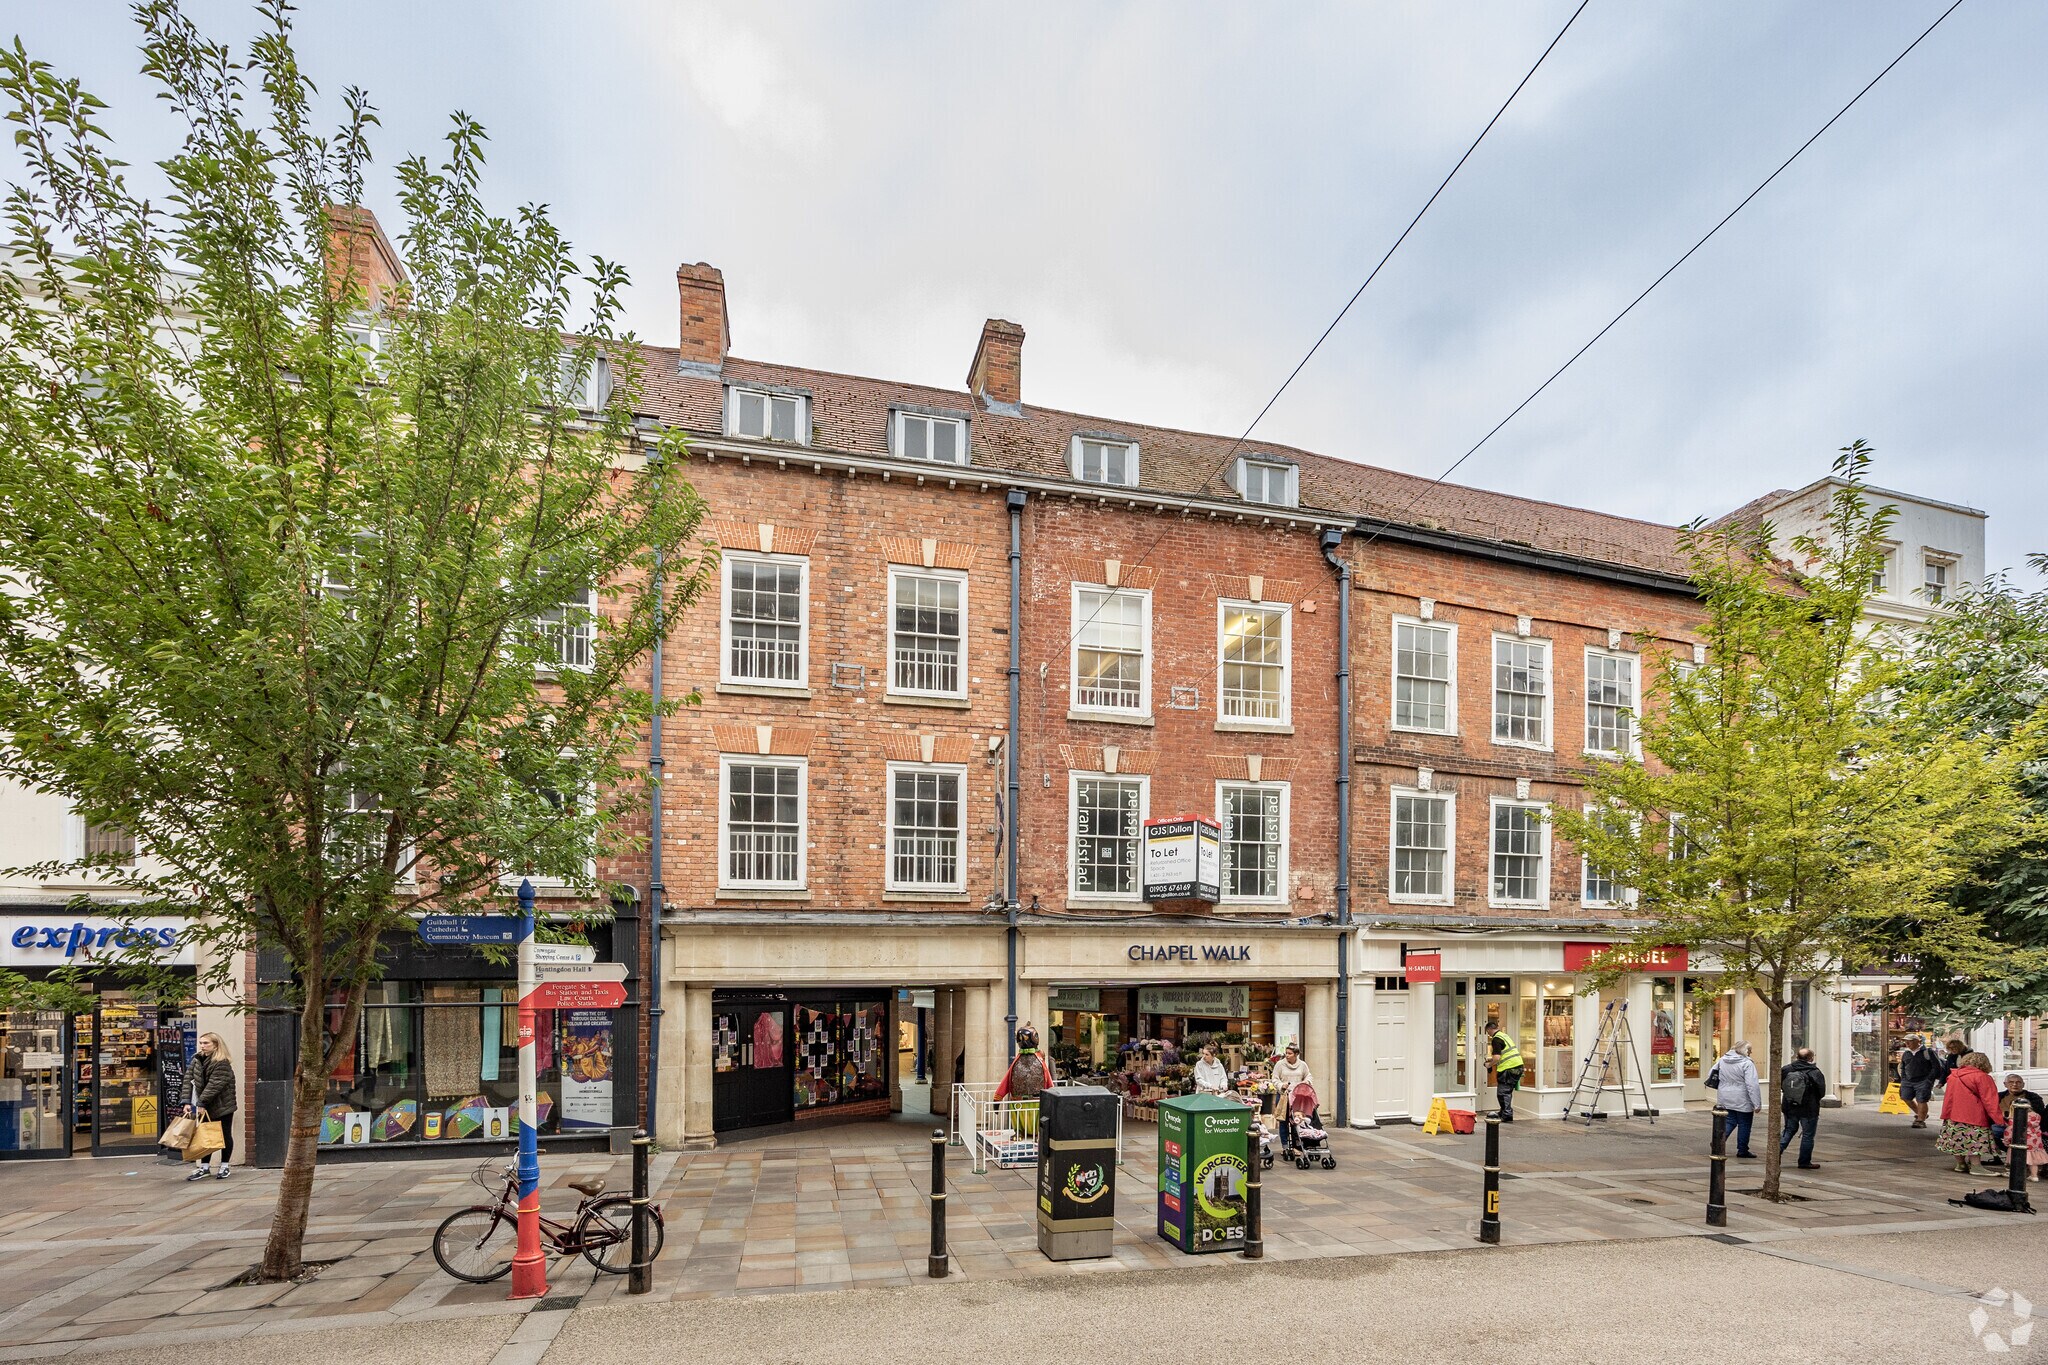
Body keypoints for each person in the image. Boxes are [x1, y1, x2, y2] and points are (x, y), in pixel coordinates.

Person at [1936, 1050, 2002, 1175]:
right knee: (1974, 1141)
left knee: (1957, 1139)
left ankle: (1960, 1164)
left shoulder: (1953, 1076)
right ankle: (1976, 1166)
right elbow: (1990, 1100)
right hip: (1974, 1115)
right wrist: (1999, 1119)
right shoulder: (1982, 1077)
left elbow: (1949, 1097)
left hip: (1953, 1114)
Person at [186, 1031, 237, 1181]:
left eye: (206, 1043)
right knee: (206, 1135)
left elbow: (215, 1085)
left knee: (224, 1135)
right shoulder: (197, 1060)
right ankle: (204, 1167)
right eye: (201, 1043)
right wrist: (186, 1102)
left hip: (223, 1105)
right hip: (205, 1104)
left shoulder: (222, 1062)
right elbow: (188, 1080)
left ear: (216, 1045)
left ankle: (224, 1166)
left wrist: (201, 1102)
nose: (202, 1046)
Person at [1778, 1046, 1826, 1169]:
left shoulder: (1786, 1069)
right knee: (1808, 1135)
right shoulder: (1815, 1072)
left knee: (1788, 1130)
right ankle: (1804, 1161)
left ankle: (1777, 1151)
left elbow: (1780, 1085)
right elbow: (1821, 1092)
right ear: (1810, 1058)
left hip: (1790, 1105)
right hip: (1809, 1108)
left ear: (1797, 1057)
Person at [1712, 1040, 1761, 1158]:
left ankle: (1717, 1143)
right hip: (1742, 1097)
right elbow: (1752, 1084)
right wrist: (1757, 1103)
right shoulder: (1747, 1063)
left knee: (1729, 1121)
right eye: (1750, 1050)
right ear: (1745, 1051)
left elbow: (1711, 1073)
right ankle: (1742, 1150)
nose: (1751, 1052)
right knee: (1744, 1124)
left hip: (1725, 1095)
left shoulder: (1722, 1060)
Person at [1996, 1073, 2047, 1179]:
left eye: (2018, 1082)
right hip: (2003, 1126)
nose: (2015, 1084)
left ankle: (2020, 1167)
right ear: (2005, 1084)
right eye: (2011, 1082)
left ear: (2023, 1084)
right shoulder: (1998, 1096)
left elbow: (2039, 1114)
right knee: (1992, 1131)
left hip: (2026, 1130)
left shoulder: (2033, 1097)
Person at [1269, 1043, 1314, 1151]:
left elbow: (1308, 1075)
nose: (1287, 1055)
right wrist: (1281, 1085)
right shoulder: (1280, 1064)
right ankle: (1285, 1146)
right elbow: (1274, 1079)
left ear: (1296, 1054)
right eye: (1286, 1053)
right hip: (1284, 1096)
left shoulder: (1302, 1065)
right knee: (1283, 1121)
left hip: (1298, 1097)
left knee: (1297, 1120)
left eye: (1290, 1053)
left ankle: (1296, 1146)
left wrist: (1306, 1081)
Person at [1895, 1036, 1942, 1129]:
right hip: (1908, 1080)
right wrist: (1904, 1078)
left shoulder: (1928, 1052)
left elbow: (1937, 1066)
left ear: (1917, 1041)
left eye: (1910, 1041)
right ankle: (1921, 1114)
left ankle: (1920, 1120)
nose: (1907, 1044)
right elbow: (1903, 1067)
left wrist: (1930, 1078)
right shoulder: (1906, 1053)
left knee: (1921, 1099)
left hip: (1923, 1080)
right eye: (1906, 1042)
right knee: (1905, 1097)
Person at [1487, 1023, 1524, 1123]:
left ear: (1490, 1030)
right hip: (1517, 1066)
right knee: (1507, 1091)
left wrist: (1489, 1065)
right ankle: (1504, 1111)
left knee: (1503, 1092)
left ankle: (1507, 1114)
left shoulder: (1496, 1039)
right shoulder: (1504, 1036)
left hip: (1509, 1068)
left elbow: (1497, 1057)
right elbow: (1504, 1053)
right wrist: (1492, 1060)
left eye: (1487, 1032)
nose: (1488, 1034)